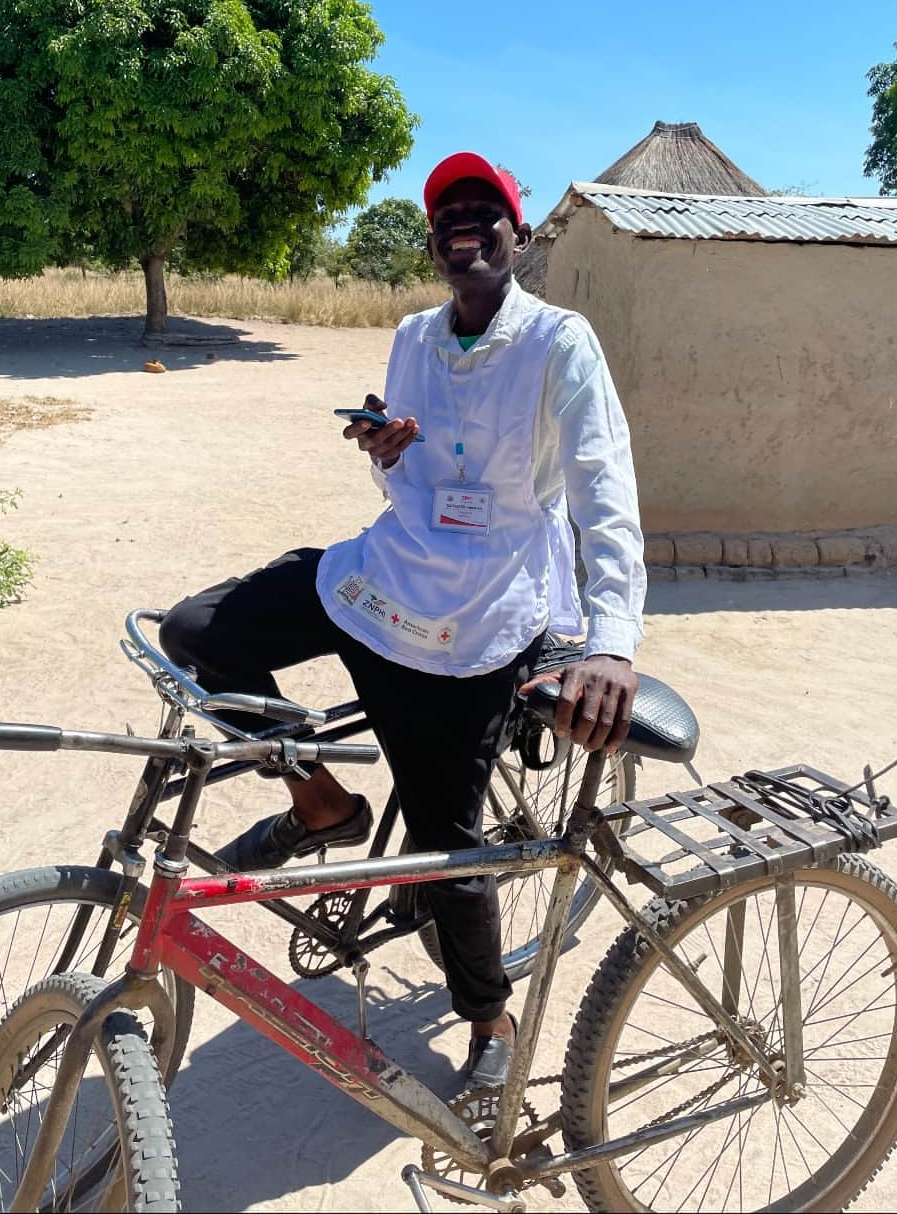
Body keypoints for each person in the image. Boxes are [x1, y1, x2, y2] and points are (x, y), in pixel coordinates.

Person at [159, 151, 646, 1091]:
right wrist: (386, 453)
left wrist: (614, 640)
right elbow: (412, 483)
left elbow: (603, 491)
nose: (464, 223)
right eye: (447, 213)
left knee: (444, 850)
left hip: (486, 602)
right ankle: (321, 803)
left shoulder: (560, 343)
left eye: (484, 209)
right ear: (433, 241)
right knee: (198, 635)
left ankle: (489, 1020)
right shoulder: (416, 337)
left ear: (519, 233)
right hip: (390, 566)